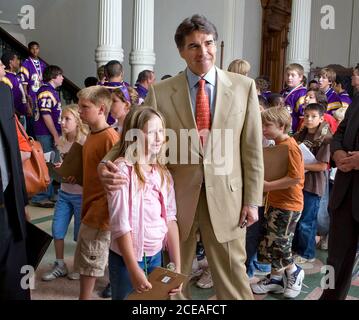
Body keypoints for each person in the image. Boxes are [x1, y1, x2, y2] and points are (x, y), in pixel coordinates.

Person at [99, 14, 264, 300]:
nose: (204, 52)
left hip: (228, 200)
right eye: (194, 46)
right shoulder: (161, 92)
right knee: (174, 280)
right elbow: (133, 134)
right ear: (181, 51)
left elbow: (252, 149)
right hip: (176, 202)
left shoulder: (242, 87)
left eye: (209, 43)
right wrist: (106, 164)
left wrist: (252, 200)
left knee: (234, 279)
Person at [106, 106, 181, 300]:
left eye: (161, 132)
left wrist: (177, 267)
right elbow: (120, 225)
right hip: (127, 258)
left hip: (155, 255)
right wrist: (133, 268)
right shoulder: (123, 170)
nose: (158, 138)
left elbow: (170, 219)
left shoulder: (162, 173)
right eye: (151, 132)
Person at [252, 107, 305, 299]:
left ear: (282, 126)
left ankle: (294, 271)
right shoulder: (276, 145)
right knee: (270, 242)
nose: (264, 129)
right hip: (274, 202)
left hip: (288, 205)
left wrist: (268, 186)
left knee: (281, 243)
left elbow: (296, 178)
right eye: (263, 125)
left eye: (268, 125)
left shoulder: (290, 147)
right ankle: (275, 278)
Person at [73, 86, 119, 300]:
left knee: (89, 263)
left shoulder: (110, 138)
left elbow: (115, 182)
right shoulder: (91, 134)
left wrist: (101, 212)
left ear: (101, 109)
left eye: (85, 107)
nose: (80, 111)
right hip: (89, 206)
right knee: (86, 259)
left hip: (99, 212)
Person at [320, 64, 359, 300]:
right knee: (335, 259)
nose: (354, 77)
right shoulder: (357, 100)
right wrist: (337, 153)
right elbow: (341, 133)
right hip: (345, 192)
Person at [41, 104, 88, 282]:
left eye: (67, 119)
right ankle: (60, 264)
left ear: (78, 121)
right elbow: (63, 166)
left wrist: (74, 172)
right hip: (64, 193)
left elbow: (87, 169)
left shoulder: (84, 141)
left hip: (80, 194)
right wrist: (58, 169)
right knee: (57, 229)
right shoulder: (61, 140)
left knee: (79, 234)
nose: (62, 122)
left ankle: (78, 265)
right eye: (61, 118)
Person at [0, 60, 30, 300]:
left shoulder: (3, 92)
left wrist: (23, 201)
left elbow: (12, 154)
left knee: (15, 285)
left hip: (8, 203)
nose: (2, 67)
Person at [292, 103, 332, 264]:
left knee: (307, 221)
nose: (309, 119)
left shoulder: (326, 138)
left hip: (313, 184)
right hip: (297, 182)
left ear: (321, 118)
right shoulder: (300, 135)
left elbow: (322, 165)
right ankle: (296, 249)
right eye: (306, 115)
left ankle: (307, 253)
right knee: (296, 218)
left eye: (313, 116)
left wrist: (299, 165)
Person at [30, 65, 64, 208]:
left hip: (50, 133)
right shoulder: (45, 92)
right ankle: (40, 195)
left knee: (53, 163)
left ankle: (52, 193)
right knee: (45, 164)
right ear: (53, 76)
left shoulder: (51, 91)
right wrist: (55, 135)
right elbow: (46, 115)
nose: (62, 78)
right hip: (46, 133)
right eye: (60, 75)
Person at [20, 41, 47, 137]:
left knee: (42, 121)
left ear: (39, 49)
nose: (35, 51)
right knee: (31, 123)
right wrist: (27, 102)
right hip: (31, 98)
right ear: (29, 49)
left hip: (41, 97)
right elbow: (24, 85)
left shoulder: (43, 64)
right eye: (32, 48)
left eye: (37, 48)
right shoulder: (25, 64)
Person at [1, 51, 29, 122]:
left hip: (23, 115)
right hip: (15, 117)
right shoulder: (6, 78)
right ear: (11, 62)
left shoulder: (15, 75)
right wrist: (17, 113)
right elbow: (8, 100)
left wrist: (27, 105)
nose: (18, 61)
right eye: (16, 59)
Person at [281, 63, 307, 133]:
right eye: (287, 75)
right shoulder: (283, 91)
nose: (289, 78)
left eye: (293, 75)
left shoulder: (302, 93)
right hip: (282, 125)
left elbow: (302, 115)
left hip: (294, 129)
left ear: (300, 77)